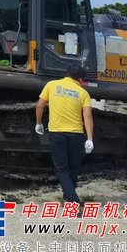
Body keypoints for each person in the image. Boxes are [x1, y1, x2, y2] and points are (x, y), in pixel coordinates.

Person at [35, 65, 94, 205]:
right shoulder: (83, 93)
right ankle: (69, 195)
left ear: (66, 74)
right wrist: (90, 138)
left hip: (57, 133)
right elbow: (88, 116)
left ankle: (72, 198)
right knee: (73, 167)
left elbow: (40, 105)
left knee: (62, 167)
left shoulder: (52, 85)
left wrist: (39, 123)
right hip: (77, 135)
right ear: (80, 79)